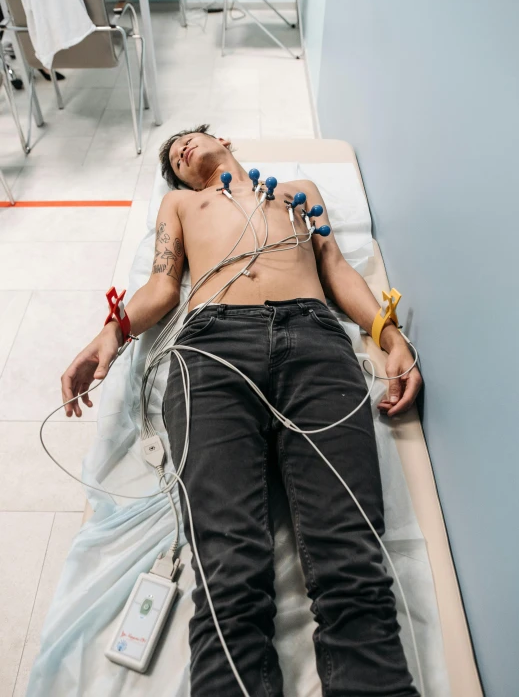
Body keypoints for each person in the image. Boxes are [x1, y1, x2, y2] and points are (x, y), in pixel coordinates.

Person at [61, 125, 422, 696]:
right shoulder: (181, 205)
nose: (177, 151)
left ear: (217, 137)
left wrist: (386, 332)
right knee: (229, 572)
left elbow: (335, 269)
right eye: (171, 160)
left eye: (184, 139)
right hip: (210, 348)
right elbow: (161, 286)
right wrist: (111, 333)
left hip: (314, 340)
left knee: (352, 565)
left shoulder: (296, 191)